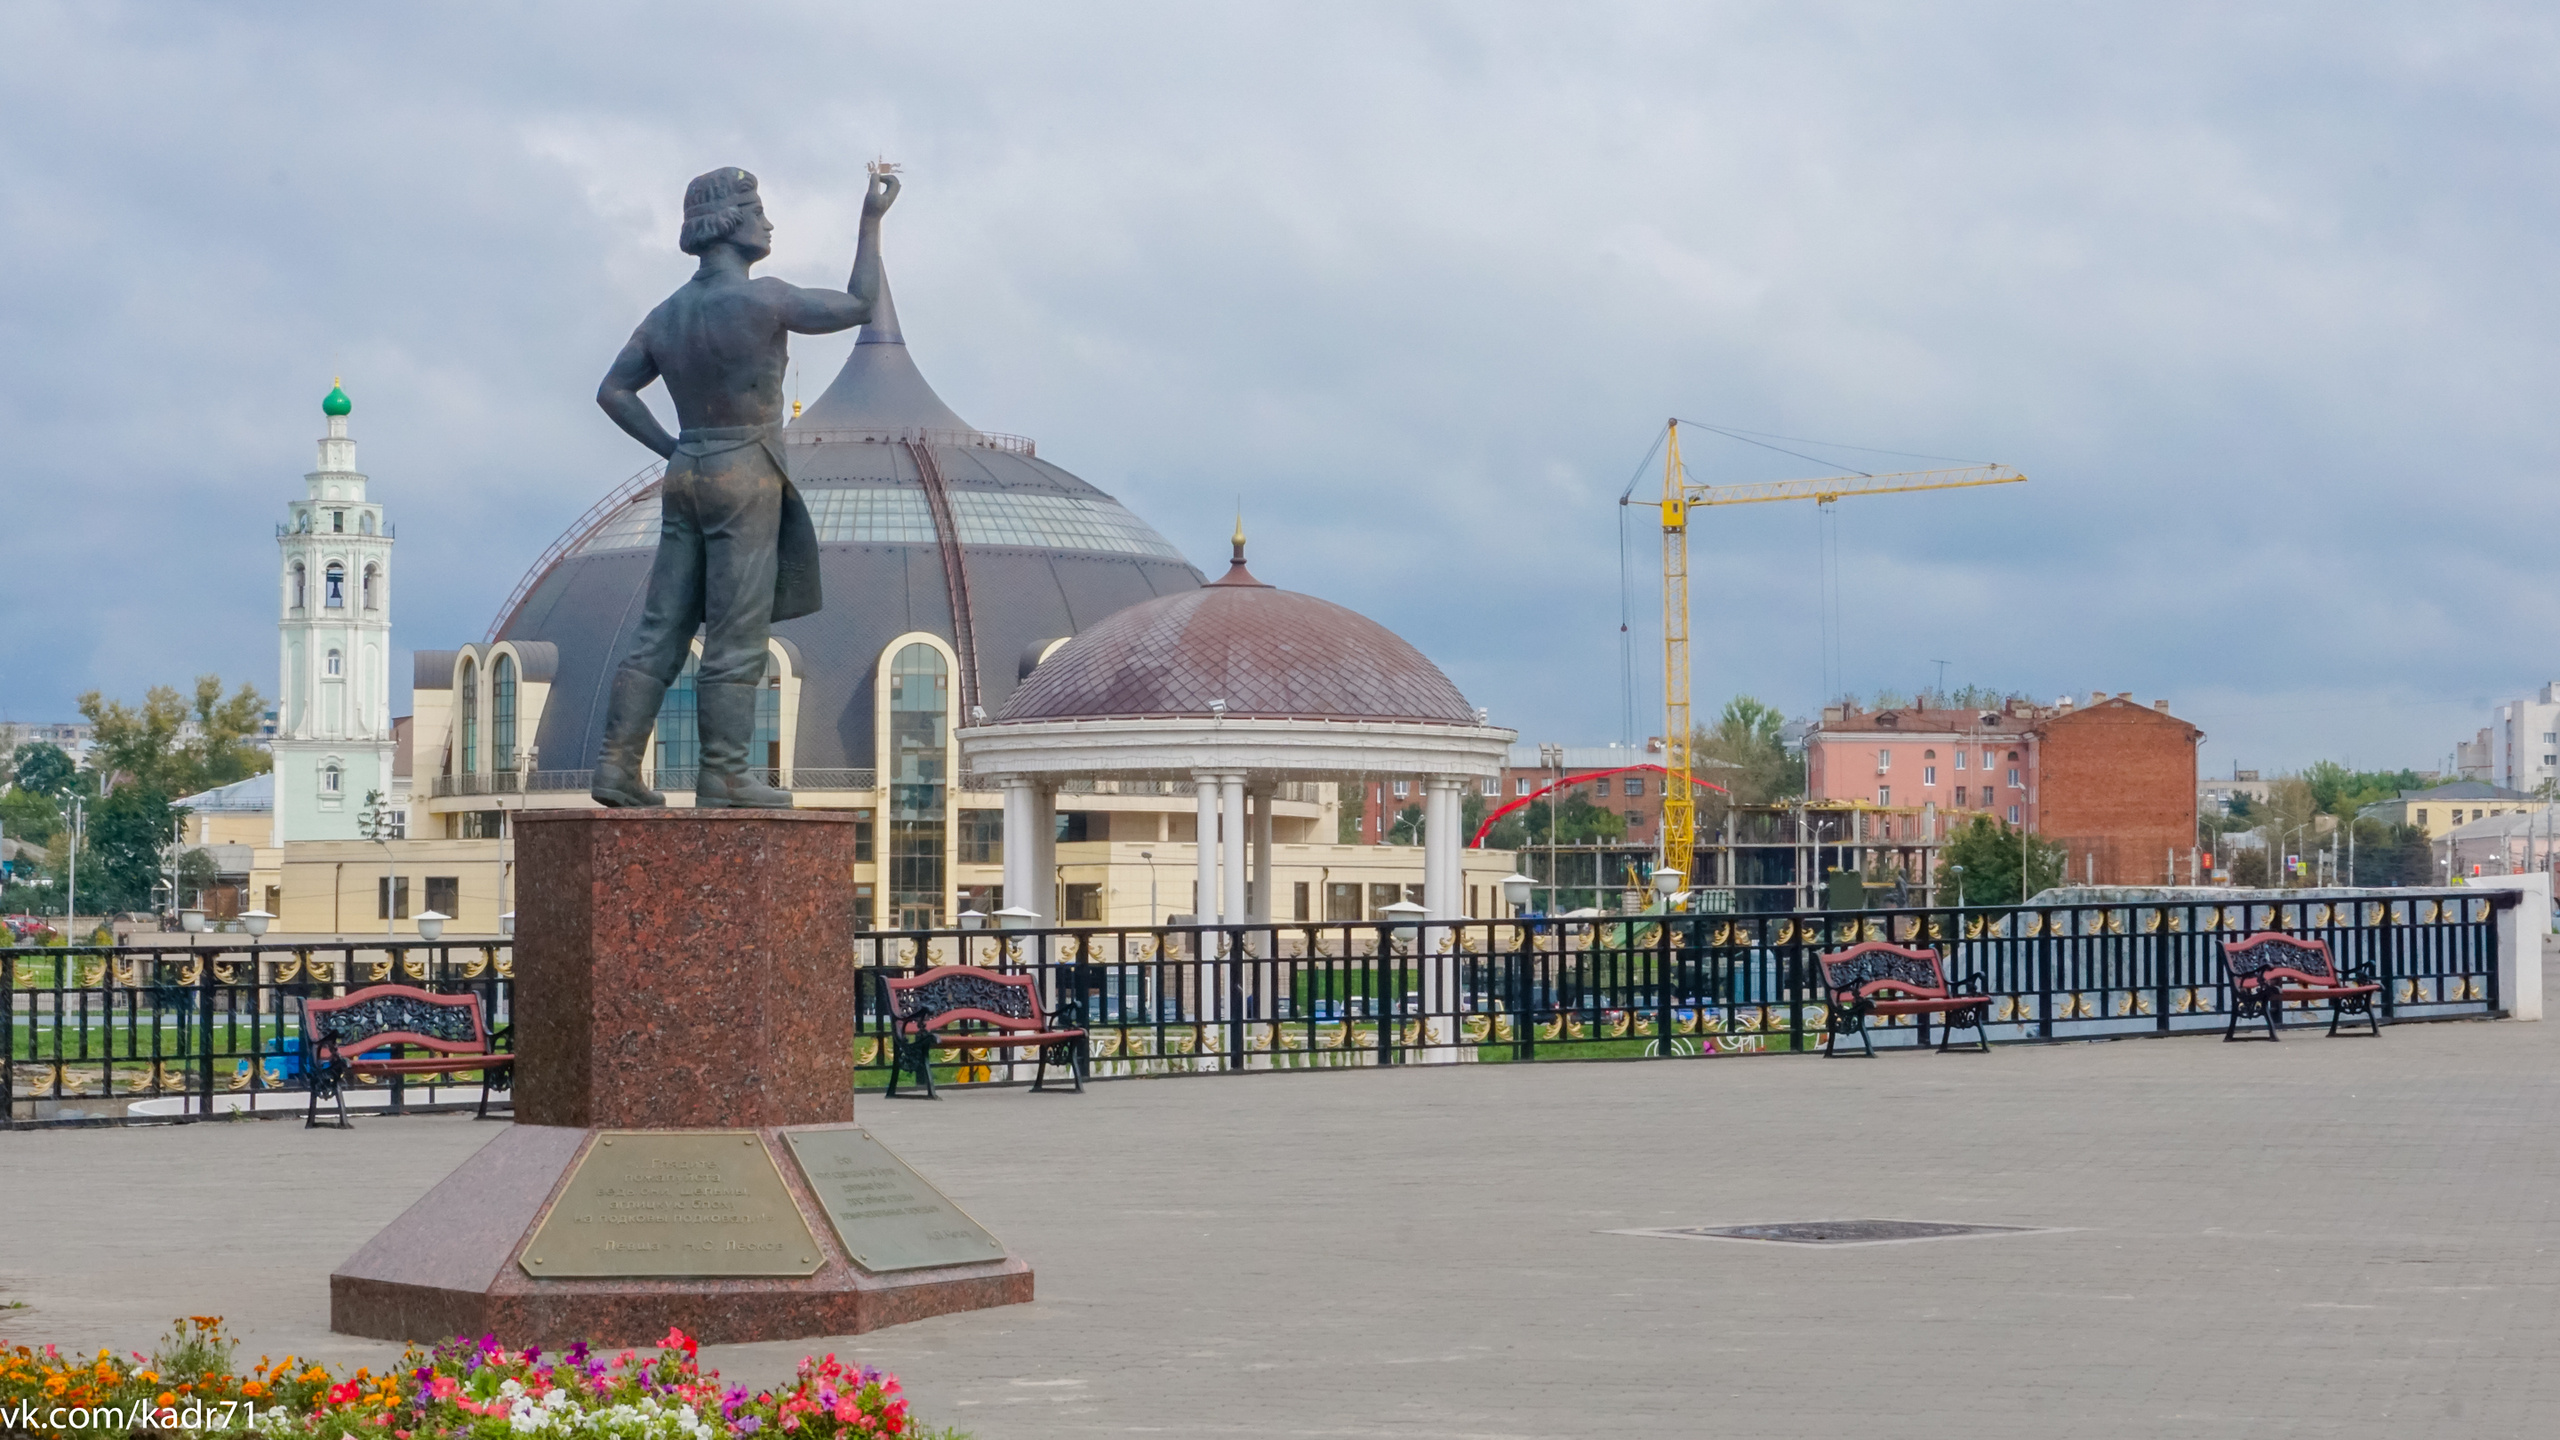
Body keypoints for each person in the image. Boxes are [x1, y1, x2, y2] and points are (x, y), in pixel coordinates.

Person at [588, 165, 899, 808]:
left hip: (687, 474)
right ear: (731, 223)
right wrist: (870, 222)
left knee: (661, 630)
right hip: (746, 471)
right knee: (736, 631)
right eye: (757, 209)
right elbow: (860, 306)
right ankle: (725, 774)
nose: (769, 221)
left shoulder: (665, 315)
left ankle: (616, 769)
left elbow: (613, 392)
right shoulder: (765, 300)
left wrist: (673, 448)